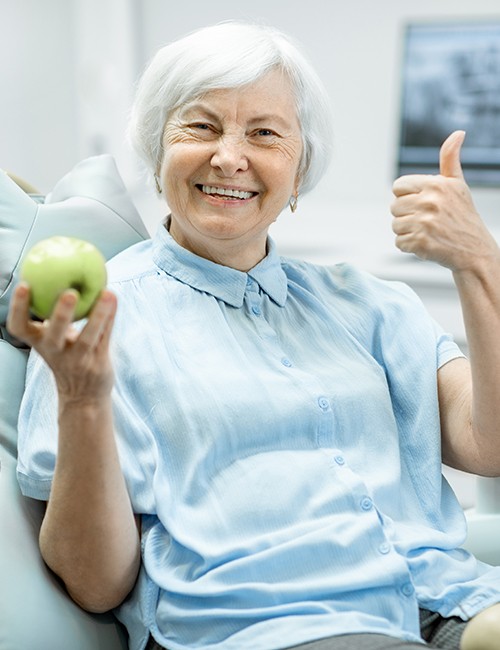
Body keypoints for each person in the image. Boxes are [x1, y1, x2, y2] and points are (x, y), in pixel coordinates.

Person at [7, 20, 500, 650]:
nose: (230, 156)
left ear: (301, 171)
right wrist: (82, 399)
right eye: (202, 127)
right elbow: (96, 585)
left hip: (446, 599)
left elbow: (487, 444)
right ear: (158, 153)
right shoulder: (97, 324)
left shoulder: (368, 302)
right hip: (272, 627)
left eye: (264, 133)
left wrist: (479, 264)